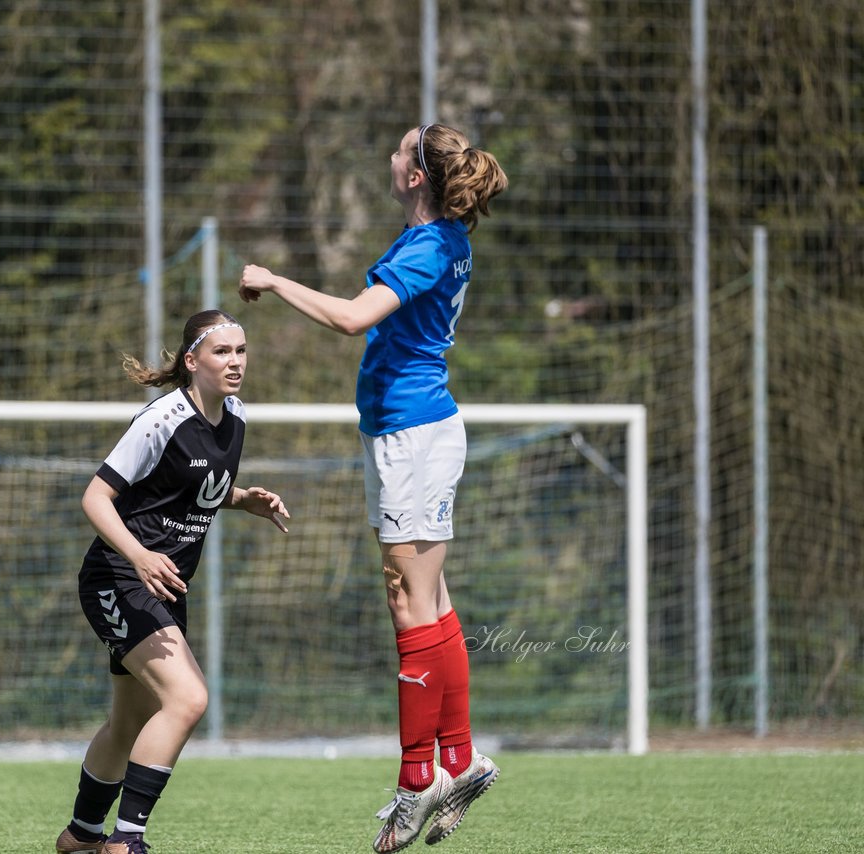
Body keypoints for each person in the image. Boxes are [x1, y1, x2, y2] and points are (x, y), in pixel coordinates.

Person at [238, 123, 508, 851]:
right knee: (431, 600)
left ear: (417, 175)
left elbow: (353, 319)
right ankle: (459, 761)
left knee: (408, 600)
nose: (390, 156)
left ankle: (418, 778)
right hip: (407, 434)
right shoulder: (438, 238)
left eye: (400, 149)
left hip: (412, 438)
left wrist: (271, 280)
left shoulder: (429, 245)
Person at [56, 310, 290, 854]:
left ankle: (82, 835)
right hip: (118, 576)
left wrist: (241, 500)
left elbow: (187, 489)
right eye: (222, 352)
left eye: (242, 350)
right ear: (192, 361)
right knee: (188, 699)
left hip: (164, 586)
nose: (236, 362)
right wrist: (138, 555)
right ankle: (127, 841)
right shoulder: (161, 419)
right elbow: (96, 496)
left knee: (132, 719)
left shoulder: (236, 415)